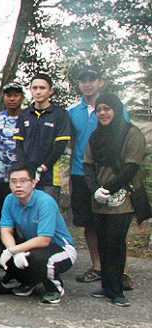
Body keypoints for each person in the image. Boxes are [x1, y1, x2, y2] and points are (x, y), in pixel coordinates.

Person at [68, 69, 132, 288]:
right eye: (83, 80)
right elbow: (74, 142)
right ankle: (97, 267)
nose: (87, 84)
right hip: (81, 174)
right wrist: (70, 172)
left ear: (100, 82)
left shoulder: (114, 107)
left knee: (116, 223)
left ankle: (120, 271)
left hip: (110, 174)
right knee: (89, 223)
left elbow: (126, 136)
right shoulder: (73, 111)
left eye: (92, 80)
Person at [84, 94, 145, 307]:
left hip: (122, 196)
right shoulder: (96, 136)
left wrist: (108, 188)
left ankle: (116, 289)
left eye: (107, 108)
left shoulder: (131, 134)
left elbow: (131, 167)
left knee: (116, 242)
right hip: (99, 196)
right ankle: (106, 286)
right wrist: (95, 190)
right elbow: (88, 165)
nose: (103, 113)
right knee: (102, 242)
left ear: (117, 110)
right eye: (99, 109)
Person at [0, 163, 77, 304]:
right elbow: (6, 231)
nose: (18, 185)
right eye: (14, 181)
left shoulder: (45, 202)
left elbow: (44, 240)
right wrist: (14, 252)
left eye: (23, 181)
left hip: (61, 249)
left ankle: (55, 289)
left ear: (33, 182)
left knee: (39, 258)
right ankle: (29, 281)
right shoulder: (9, 200)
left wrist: (13, 250)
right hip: (32, 246)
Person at [13, 73, 71, 201]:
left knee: (47, 215)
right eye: (35, 88)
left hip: (49, 178)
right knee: (26, 216)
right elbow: (18, 145)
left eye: (42, 88)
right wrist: (25, 169)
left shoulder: (60, 114)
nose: (38, 92)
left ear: (51, 91)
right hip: (27, 176)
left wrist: (43, 167)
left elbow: (60, 146)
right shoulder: (24, 114)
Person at [0, 83, 24, 240]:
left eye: (16, 95)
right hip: (1, 176)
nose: (12, 99)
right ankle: (0, 243)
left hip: (22, 176)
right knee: (2, 210)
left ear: (22, 97)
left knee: (22, 210)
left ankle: (22, 243)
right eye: (8, 95)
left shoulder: (28, 118)